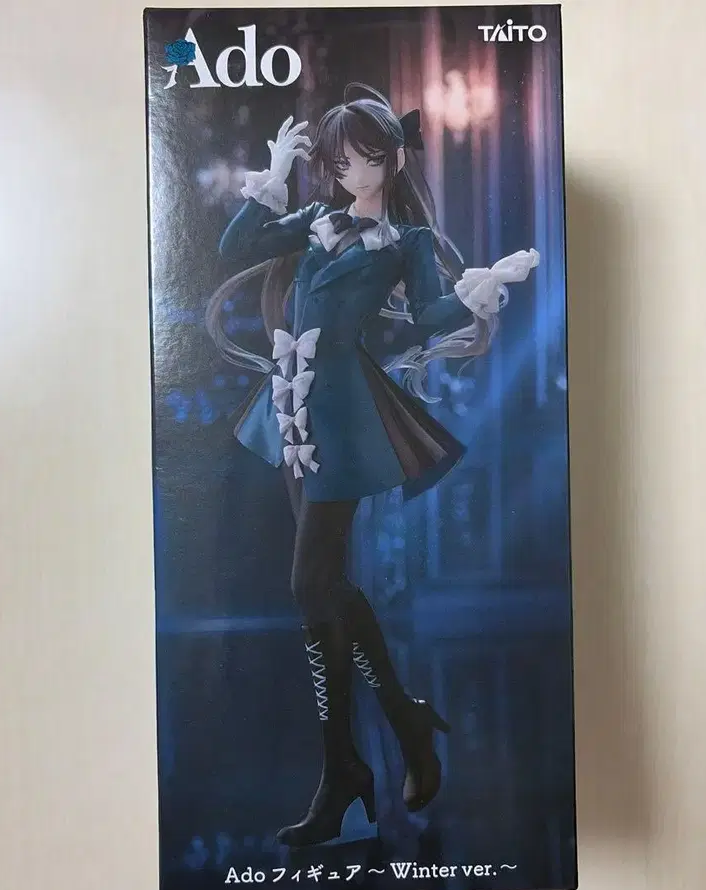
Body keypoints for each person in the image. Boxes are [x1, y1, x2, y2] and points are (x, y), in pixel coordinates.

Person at [205, 83, 539, 848]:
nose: (352, 173)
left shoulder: (406, 242)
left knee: (309, 584)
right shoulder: (315, 220)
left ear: (392, 158)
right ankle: (385, 736)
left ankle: (350, 765)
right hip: (292, 407)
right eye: (339, 162)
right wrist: (271, 183)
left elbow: (427, 315)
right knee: (324, 588)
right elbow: (234, 252)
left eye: (365, 158)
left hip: (345, 416)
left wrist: (478, 293)